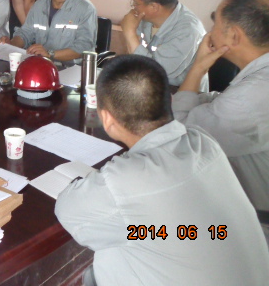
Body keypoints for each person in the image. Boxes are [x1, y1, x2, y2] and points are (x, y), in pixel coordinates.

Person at [55, 55, 269, 286]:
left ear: (106, 119)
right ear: (169, 100)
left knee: (107, 257)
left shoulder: (123, 181)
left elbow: (67, 210)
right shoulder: (203, 141)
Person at [172, 0, 269, 214]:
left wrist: (198, 68)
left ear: (234, 35)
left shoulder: (251, 95)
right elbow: (222, 101)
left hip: (252, 217)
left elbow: (181, 139)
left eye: (215, 23)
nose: (210, 31)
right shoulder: (258, 81)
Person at [121, 0, 207, 91]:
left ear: (154, 7)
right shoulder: (145, 18)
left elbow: (157, 71)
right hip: (148, 85)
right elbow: (132, 56)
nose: (133, 7)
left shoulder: (188, 30)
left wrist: (129, 33)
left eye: (136, 3)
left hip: (179, 93)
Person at [0, 0, 96, 65]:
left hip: (73, 69)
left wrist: (50, 54)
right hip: (42, 65)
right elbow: (26, 33)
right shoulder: (39, 6)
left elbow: (84, 47)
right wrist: (10, 44)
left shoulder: (85, 8)